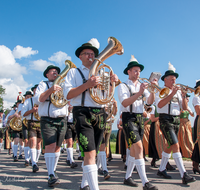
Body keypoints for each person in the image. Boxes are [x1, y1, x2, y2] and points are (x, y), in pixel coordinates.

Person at [64, 38, 119, 190]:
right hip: (82, 112)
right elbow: (68, 95)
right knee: (89, 153)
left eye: (92, 54)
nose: (90, 56)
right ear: (80, 56)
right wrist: (87, 84)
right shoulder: (73, 72)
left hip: (100, 113)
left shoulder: (103, 72)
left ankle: (84, 184)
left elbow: (108, 94)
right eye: (86, 54)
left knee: (92, 153)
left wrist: (114, 81)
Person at [118, 55, 157, 190]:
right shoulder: (122, 86)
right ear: (128, 71)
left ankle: (127, 177)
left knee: (134, 150)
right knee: (139, 148)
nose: (138, 73)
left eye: (139, 71)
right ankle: (145, 182)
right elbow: (125, 102)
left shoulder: (142, 86)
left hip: (140, 118)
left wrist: (152, 90)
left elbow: (150, 102)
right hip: (128, 118)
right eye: (135, 70)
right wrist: (139, 92)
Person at [156, 62, 196, 184]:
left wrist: (183, 96)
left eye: (175, 79)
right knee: (175, 145)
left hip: (176, 119)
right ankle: (184, 174)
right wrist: (172, 94)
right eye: (172, 80)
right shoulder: (160, 91)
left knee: (170, 146)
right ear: (165, 80)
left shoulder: (178, 92)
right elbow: (159, 105)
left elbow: (183, 107)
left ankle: (161, 169)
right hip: (165, 119)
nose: (174, 82)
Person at [35, 65, 68, 187]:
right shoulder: (43, 84)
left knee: (58, 147)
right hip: (47, 119)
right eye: (52, 72)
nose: (55, 73)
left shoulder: (63, 85)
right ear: (47, 75)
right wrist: (50, 90)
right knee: (50, 145)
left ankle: (53, 170)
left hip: (62, 119)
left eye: (57, 72)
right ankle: (50, 175)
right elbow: (38, 100)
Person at [22, 86, 42, 172]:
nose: (37, 90)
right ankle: (34, 163)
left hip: (41, 123)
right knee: (33, 142)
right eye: (35, 89)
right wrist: (32, 110)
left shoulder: (43, 100)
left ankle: (35, 160)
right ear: (33, 91)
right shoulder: (28, 101)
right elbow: (23, 114)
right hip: (31, 122)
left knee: (38, 144)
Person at [97, 98, 117, 180]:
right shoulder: (100, 98)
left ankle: (98, 166)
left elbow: (114, 114)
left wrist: (115, 105)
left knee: (104, 146)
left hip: (109, 123)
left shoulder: (111, 100)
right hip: (100, 122)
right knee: (101, 145)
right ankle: (105, 169)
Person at [178, 94, 194, 158]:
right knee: (182, 140)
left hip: (187, 124)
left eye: (188, 99)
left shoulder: (188, 106)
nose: (188, 100)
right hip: (181, 124)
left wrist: (189, 110)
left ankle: (190, 154)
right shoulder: (180, 106)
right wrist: (181, 111)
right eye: (186, 99)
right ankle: (183, 154)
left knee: (189, 139)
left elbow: (192, 115)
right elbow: (177, 114)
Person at [65, 102, 78, 168]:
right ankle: (72, 161)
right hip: (68, 124)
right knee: (69, 142)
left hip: (75, 124)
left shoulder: (75, 103)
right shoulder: (66, 104)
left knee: (72, 142)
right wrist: (68, 110)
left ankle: (68, 158)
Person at [191, 79, 200, 174]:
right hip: (199, 121)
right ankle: (195, 165)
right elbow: (198, 111)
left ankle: (195, 165)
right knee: (198, 142)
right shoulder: (196, 97)